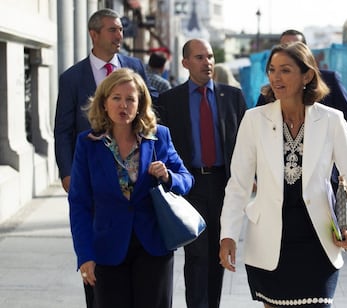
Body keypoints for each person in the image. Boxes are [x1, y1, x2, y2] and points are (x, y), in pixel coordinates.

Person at [219, 42, 347, 308]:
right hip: (270, 241)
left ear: (308, 75)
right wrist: (228, 235)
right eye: (272, 70)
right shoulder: (254, 120)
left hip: (318, 241)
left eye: (286, 70)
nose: (276, 77)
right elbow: (239, 184)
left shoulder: (332, 120)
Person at [53, 8, 158, 307]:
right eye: (112, 30)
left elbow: (149, 116)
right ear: (94, 34)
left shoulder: (135, 66)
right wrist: (67, 173)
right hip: (93, 178)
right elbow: (62, 129)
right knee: (99, 264)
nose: (119, 35)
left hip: (135, 183)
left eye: (121, 29)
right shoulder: (72, 78)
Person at [68, 68, 194, 308]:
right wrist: (84, 255)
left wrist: (168, 176)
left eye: (130, 99)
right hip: (107, 248)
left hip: (153, 247)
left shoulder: (159, 137)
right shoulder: (88, 144)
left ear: (140, 104)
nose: (123, 105)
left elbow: (186, 179)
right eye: (116, 98)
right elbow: (79, 204)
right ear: (105, 103)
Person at [154, 38, 247, 308]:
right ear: (185, 63)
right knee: (196, 255)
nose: (207, 62)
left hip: (223, 185)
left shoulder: (232, 97)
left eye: (209, 57)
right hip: (189, 184)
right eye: (199, 57)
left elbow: (245, 142)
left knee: (219, 253)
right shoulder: (170, 100)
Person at [256, 29, 347, 191]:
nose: (289, 51)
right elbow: (257, 136)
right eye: (284, 46)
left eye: (295, 46)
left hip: (323, 183)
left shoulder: (330, 80)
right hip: (279, 186)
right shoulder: (271, 91)